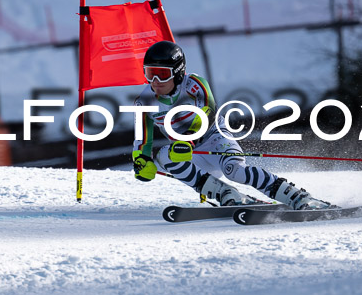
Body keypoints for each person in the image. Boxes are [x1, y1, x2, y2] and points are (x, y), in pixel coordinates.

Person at [131, 40, 334, 210]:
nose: (155, 81)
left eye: (162, 74)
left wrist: (188, 141)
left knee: (235, 171)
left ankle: (297, 197)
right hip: (187, 152)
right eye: (149, 73)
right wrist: (141, 162)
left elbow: (208, 112)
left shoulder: (194, 84)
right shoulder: (144, 102)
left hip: (215, 138)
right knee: (164, 155)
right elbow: (142, 140)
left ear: (177, 72)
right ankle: (225, 194)